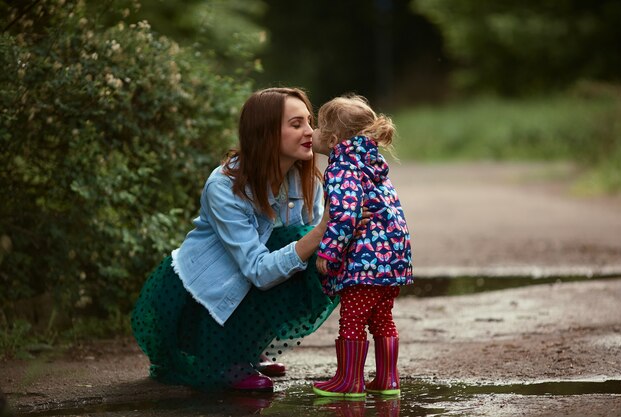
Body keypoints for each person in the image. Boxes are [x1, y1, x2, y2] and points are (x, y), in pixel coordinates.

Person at [131, 87, 338, 392]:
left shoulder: (305, 179)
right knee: (303, 240)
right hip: (203, 297)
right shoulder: (224, 186)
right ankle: (228, 358)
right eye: (296, 125)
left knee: (320, 253)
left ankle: (249, 346)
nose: (310, 132)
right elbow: (257, 270)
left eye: (309, 121)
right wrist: (322, 231)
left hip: (250, 282)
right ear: (265, 133)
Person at [311, 94, 413, 397]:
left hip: (365, 262)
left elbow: (345, 214)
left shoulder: (342, 166)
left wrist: (328, 251)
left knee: (353, 318)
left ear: (331, 139)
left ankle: (349, 381)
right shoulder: (372, 162)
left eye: (316, 127)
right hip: (392, 260)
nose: (311, 133)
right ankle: (387, 380)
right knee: (382, 317)